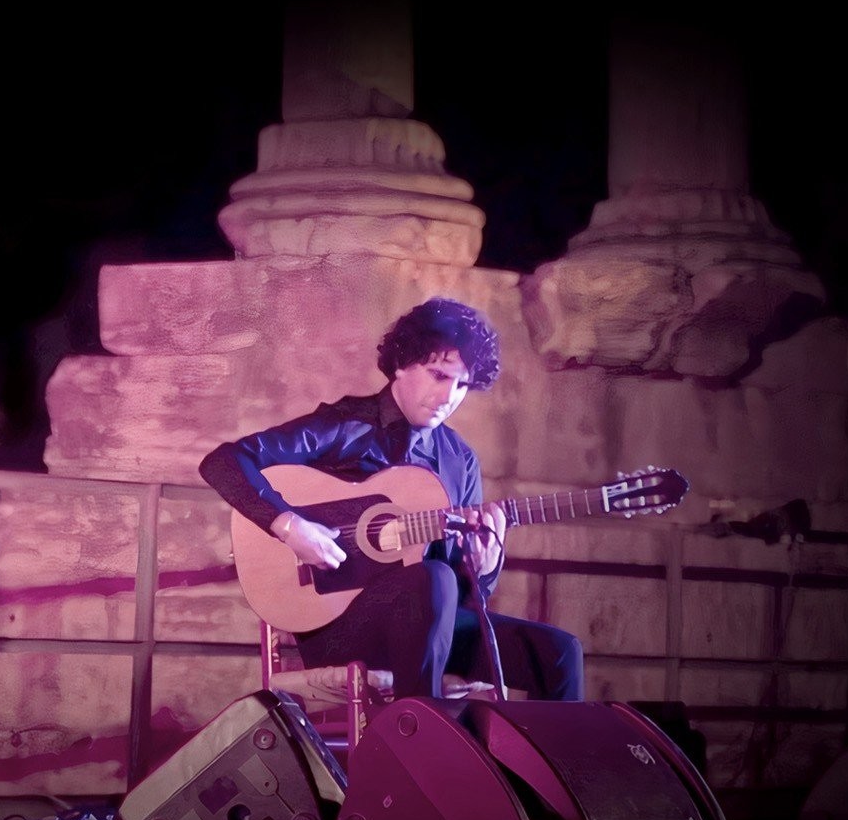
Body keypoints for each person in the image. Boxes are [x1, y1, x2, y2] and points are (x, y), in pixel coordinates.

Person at [199, 297, 583, 702]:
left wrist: (482, 568)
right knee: (433, 579)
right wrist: (291, 527)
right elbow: (222, 462)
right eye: (438, 375)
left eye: (462, 384)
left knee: (558, 653)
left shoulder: (459, 460)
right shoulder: (345, 426)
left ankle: (560, 767)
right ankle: (417, 734)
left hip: (431, 627)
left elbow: (461, 594)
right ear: (402, 362)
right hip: (339, 627)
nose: (449, 396)